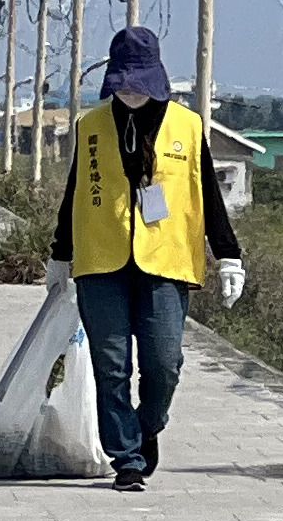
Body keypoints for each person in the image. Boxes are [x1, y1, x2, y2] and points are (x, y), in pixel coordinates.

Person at [50, 25, 245, 492]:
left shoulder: (188, 125)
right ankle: (127, 460)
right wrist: (60, 256)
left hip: (167, 260)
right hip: (101, 260)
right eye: (124, 81)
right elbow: (76, 191)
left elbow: (208, 196)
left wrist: (229, 255)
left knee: (164, 363)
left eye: (140, 80)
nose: (132, 90)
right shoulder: (91, 125)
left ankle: (148, 426)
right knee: (110, 364)